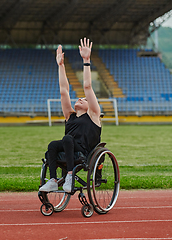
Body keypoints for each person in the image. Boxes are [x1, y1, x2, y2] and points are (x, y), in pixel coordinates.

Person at [39, 38, 101, 193]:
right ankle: (53, 180)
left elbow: (87, 86)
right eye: (79, 98)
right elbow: (63, 90)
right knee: (53, 145)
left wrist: (86, 60)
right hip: (68, 149)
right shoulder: (70, 116)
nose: (80, 98)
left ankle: (70, 175)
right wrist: (60, 65)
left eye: (84, 99)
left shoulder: (93, 115)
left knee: (67, 139)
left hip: (83, 152)